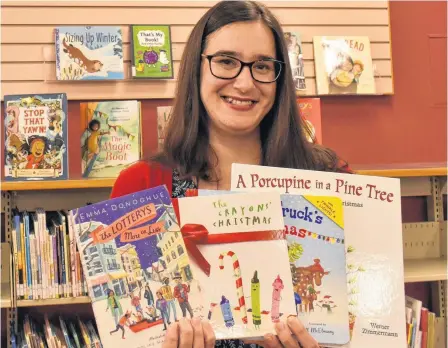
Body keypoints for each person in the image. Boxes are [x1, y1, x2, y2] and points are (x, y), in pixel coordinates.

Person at [111, 1, 352, 347]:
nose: (244, 82)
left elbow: (366, 319)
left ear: (279, 77)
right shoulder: (142, 186)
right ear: (196, 68)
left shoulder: (329, 178)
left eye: (263, 66)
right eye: (226, 61)